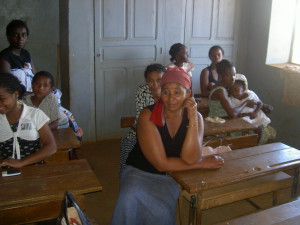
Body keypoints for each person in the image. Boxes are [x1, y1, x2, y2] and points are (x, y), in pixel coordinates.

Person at [111, 68, 224, 225]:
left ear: (188, 94)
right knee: (128, 198)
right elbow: (160, 163)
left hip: (172, 174)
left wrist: (192, 118)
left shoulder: (195, 117)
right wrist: (203, 163)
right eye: (166, 92)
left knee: (161, 212)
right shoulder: (148, 116)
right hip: (139, 171)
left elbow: (190, 158)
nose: (171, 98)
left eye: (177, 92)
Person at [0, 73, 56, 168]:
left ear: (16, 94)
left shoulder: (34, 114)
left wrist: (21, 162)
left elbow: (51, 146)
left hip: (34, 170)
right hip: (4, 174)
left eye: (1, 98)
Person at [120, 63, 166, 175]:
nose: (155, 84)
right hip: (142, 129)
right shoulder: (142, 91)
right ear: (146, 80)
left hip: (165, 132)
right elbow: (141, 117)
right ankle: (124, 175)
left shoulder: (170, 92)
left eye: (159, 80)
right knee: (127, 145)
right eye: (151, 81)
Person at [229, 77, 276, 144]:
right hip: (244, 116)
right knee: (245, 124)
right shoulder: (232, 99)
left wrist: (255, 112)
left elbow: (260, 103)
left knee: (259, 126)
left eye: (236, 90)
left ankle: (259, 137)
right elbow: (235, 112)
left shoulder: (250, 94)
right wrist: (246, 112)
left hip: (255, 113)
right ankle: (247, 137)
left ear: (243, 89)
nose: (234, 93)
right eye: (231, 91)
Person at [0, 20, 36, 92]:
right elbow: (8, 85)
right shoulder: (4, 57)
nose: (20, 39)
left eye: (23, 35)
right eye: (16, 35)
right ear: (9, 37)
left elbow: (35, 77)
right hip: (16, 97)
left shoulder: (26, 54)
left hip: (31, 94)